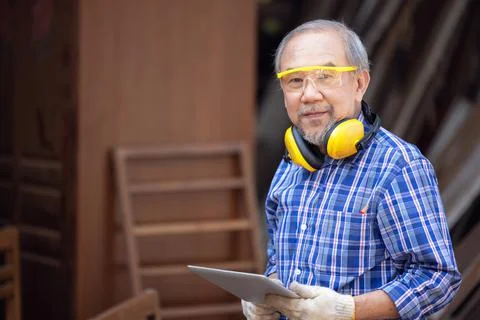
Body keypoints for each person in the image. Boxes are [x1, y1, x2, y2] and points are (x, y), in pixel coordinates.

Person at [242, 19, 461, 320]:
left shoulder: (398, 166)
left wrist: (349, 310)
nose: (308, 94)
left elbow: (438, 278)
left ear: (360, 83)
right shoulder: (291, 164)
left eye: (325, 76)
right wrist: (267, 293)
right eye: (295, 81)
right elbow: (281, 259)